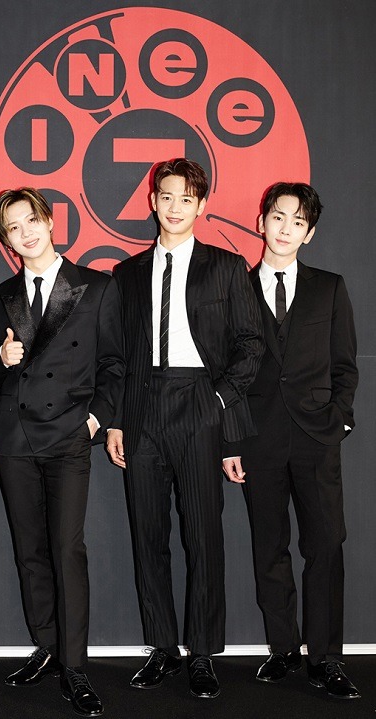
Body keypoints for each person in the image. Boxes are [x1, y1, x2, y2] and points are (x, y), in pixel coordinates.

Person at [107, 158, 264, 699]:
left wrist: (217, 400)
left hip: (199, 400)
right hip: (142, 407)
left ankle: (201, 652)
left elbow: (250, 345)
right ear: (153, 201)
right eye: (167, 196)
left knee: (203, 535)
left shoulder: (226, 266)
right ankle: (162, 648)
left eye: (187, 198)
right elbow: (117, 355)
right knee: (147, 535)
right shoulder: (127, 274)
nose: (175, 207)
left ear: (202, 205)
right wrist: (117, 419)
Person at [0, 187, 124, 717]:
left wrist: (94, 420)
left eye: (31, 220)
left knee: (67, 549)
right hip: (15, 436)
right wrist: (0, 359)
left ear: (49, 220)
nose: (25, 233)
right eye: (13, 227)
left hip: (68, 435)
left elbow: (114, 365)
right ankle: (46, 646)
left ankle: (75, 665)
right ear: (6, 239)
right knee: (30, 550)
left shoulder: (96, 286)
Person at [223, 182, 360, 699]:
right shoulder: (235, 290)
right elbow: (227, 373)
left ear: (310, 233)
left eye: (297, 222)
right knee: (269, 546)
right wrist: (230, 442)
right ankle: (283, 649)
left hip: (316, 438)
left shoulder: (329, 288)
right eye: (278, 217)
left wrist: (339, 421)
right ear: (261, 222)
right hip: (257, 440)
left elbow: (345, 365)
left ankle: (326, 657)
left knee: (326, 545)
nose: (285, 228)